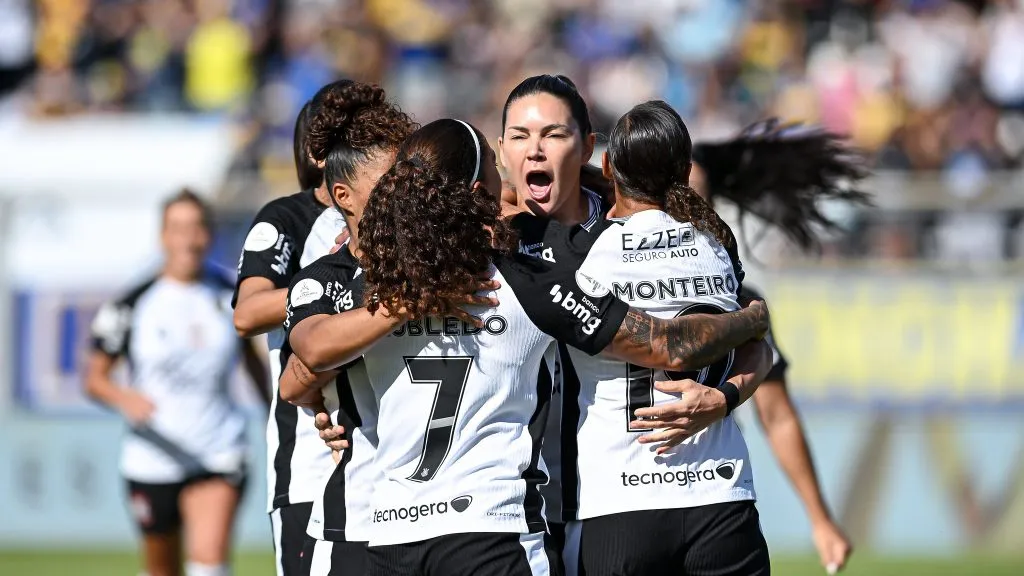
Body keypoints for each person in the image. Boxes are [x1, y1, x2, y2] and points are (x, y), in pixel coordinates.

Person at [290, 118, 771, 576]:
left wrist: (399, 312)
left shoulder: (371, 289)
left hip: (391, 537)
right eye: (495, 169)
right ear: (479, 193)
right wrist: (751, 318)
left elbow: (302, 367)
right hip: (493, 533)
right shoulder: (526, 282)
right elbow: (667, 345)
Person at [498, 76, 867, 573]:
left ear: (594, 154)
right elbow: (755, 345)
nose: (535, 150)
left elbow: (688, 347)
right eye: (520, 136)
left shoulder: (580, 256)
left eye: (553, 134)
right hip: (703, 496)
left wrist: (726, 393)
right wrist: (747, 338)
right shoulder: (713, 242)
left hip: (612, 502)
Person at [559, 100, 773, 576]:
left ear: (609, 167)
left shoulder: (590, 253)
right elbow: (760, 348)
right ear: (686, 169)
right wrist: (724, 398)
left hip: (620, 496)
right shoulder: (715, 242)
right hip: (721, 494)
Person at [231, 79, 412, 576]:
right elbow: (246, 313)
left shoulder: (404, 220)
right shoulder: (289, 218)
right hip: (310, 456)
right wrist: (331, 290)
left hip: (389, 455)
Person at [689, 119, 862, 574]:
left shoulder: (742, 303)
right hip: (619, 508)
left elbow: (777, 415)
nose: (683, 214)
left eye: (695, 201)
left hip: (714, 502)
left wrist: (820, 519)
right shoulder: (605, 282)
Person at [86, 190, 269, 576]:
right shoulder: (132, 304)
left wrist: (275, 411)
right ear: (163, 236)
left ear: (210, 234)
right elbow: (94, 379)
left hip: (218, 449)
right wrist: (125, 398)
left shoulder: (230, 297)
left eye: (198, 227)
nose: (189, 238)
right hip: (153, 456)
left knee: (208, 564)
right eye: (179, 228)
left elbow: (252, 361)